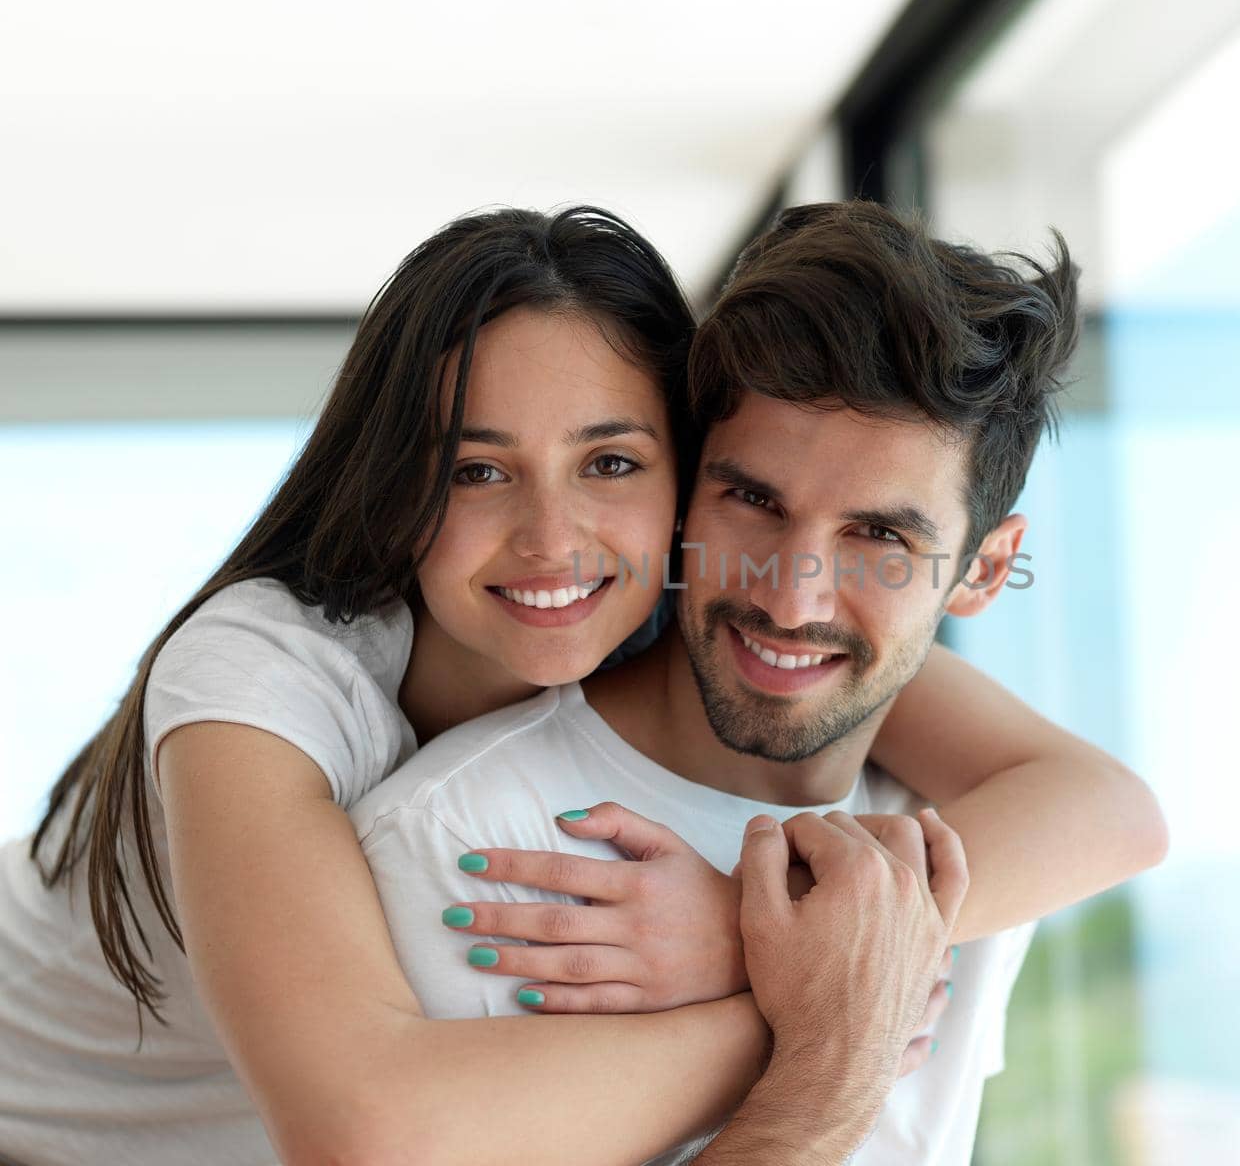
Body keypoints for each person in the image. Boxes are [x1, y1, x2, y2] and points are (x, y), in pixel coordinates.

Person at [0, 206, 1164, 1166]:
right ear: (397, 481)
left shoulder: (729, 597)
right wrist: (815, 998)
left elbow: (1105, 807)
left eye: (610, 463)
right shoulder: (268, 672)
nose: (554, 539)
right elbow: (364, 1130)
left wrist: (744, 925)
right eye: (477, 469)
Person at [349, 200, 1109, 1163]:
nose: (790, 597)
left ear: (984, 571)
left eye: (879, 535)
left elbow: (1123, 810)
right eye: (752, 500)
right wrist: (829, 1038)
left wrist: (748, 927)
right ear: (678, 496)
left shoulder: (956, 853)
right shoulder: (465, 842)